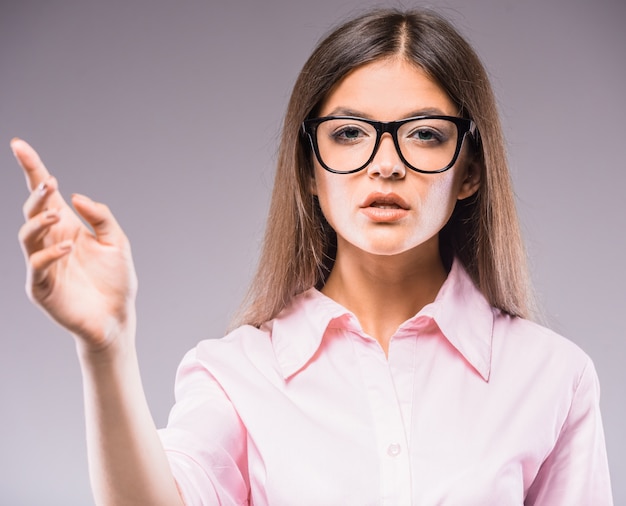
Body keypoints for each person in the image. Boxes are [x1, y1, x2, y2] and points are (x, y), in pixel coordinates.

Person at [11, 7, 613, 506]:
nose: (386, 162)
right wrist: (106, 347)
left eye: (426, 133)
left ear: (470, 169)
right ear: (308, 168)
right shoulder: (236, 375)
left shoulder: (554, 377)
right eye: (349, 132)